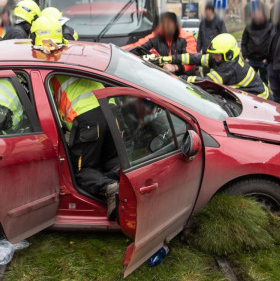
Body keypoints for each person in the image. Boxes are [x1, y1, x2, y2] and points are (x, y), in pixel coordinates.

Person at [34, 16, 119, 219]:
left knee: (80, 172)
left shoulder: (43, 62)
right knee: (111, 159)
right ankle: (125, 183)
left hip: (87, 120)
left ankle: (110, 188)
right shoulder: (72, 51)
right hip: (110, 111)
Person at [164, 33, 270, 99]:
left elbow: (204, 81)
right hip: (254, 97)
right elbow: (196, 58)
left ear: (228, 54)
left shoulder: (230, 68)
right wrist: (171, 59)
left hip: (261, 101)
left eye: (217, 54)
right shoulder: (223, 59)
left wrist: (177, 77)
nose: (214, 57)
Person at [124, 12, 197, 76]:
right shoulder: (157, 35)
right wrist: (117, 49)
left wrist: (175, 67)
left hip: (186, 79)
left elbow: (192, 60)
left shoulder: (187, 37)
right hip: (165, 77)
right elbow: (137, 46)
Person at [240, 2, 273, 84]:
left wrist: (268, 58)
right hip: (250, 60)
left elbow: (272, 44)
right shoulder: (248, 27)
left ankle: (263, 97)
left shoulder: (269, 27)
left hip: (263, 61)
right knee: (250, 82)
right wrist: (245, 57)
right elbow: (243, 43)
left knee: (264, 82)